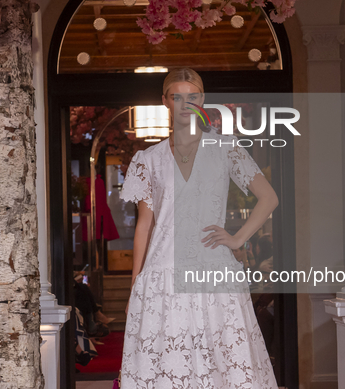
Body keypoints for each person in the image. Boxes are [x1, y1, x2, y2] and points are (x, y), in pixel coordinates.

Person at [119, 67, 280, 388]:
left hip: (213, 270)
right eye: (177, 97)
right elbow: (145, 225)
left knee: (223, 364)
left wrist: (237, 240)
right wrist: (136, 282)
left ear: (202, 100)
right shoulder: (147, 160)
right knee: (168, 364)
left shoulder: (225, 149)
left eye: (192, 97)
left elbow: (269, 198)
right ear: (165, 101)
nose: (185, 103)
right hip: (162, 274)